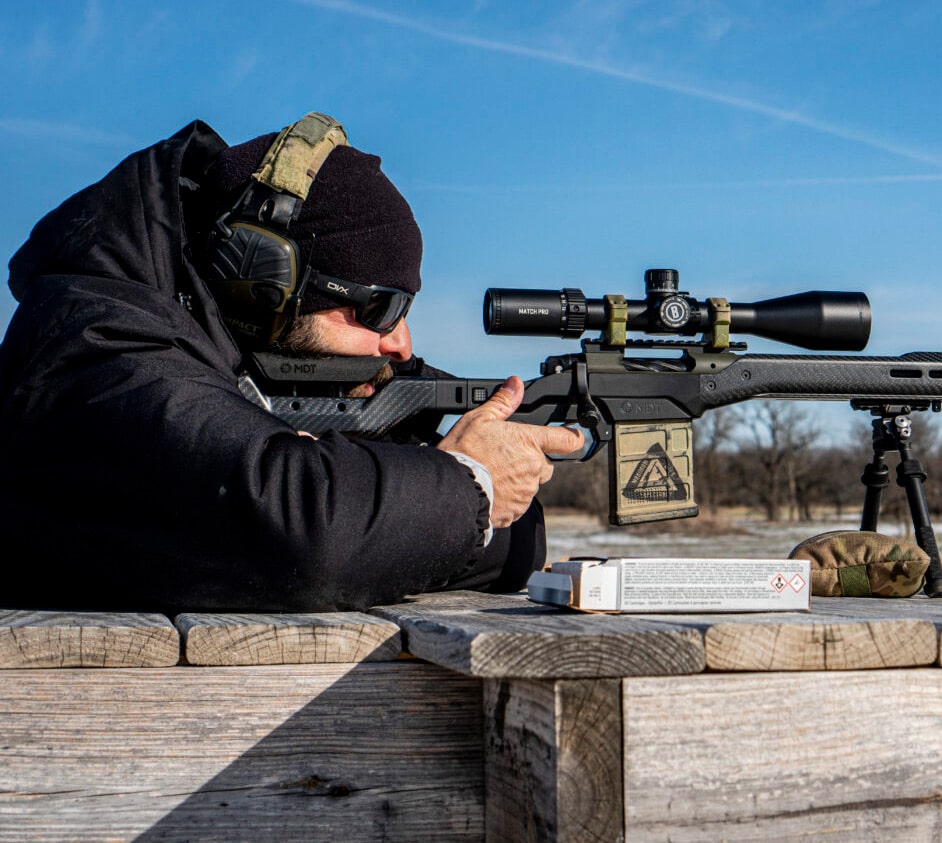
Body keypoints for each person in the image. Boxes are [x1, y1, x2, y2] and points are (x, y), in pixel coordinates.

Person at [0, 113, 583, 612]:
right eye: (380, 307)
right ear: (263, 282)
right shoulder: (97, 349)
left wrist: (447, 503)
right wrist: (468, 485)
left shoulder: (222, 350)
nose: (401, 343)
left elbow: (507, 552)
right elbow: (303, 540)